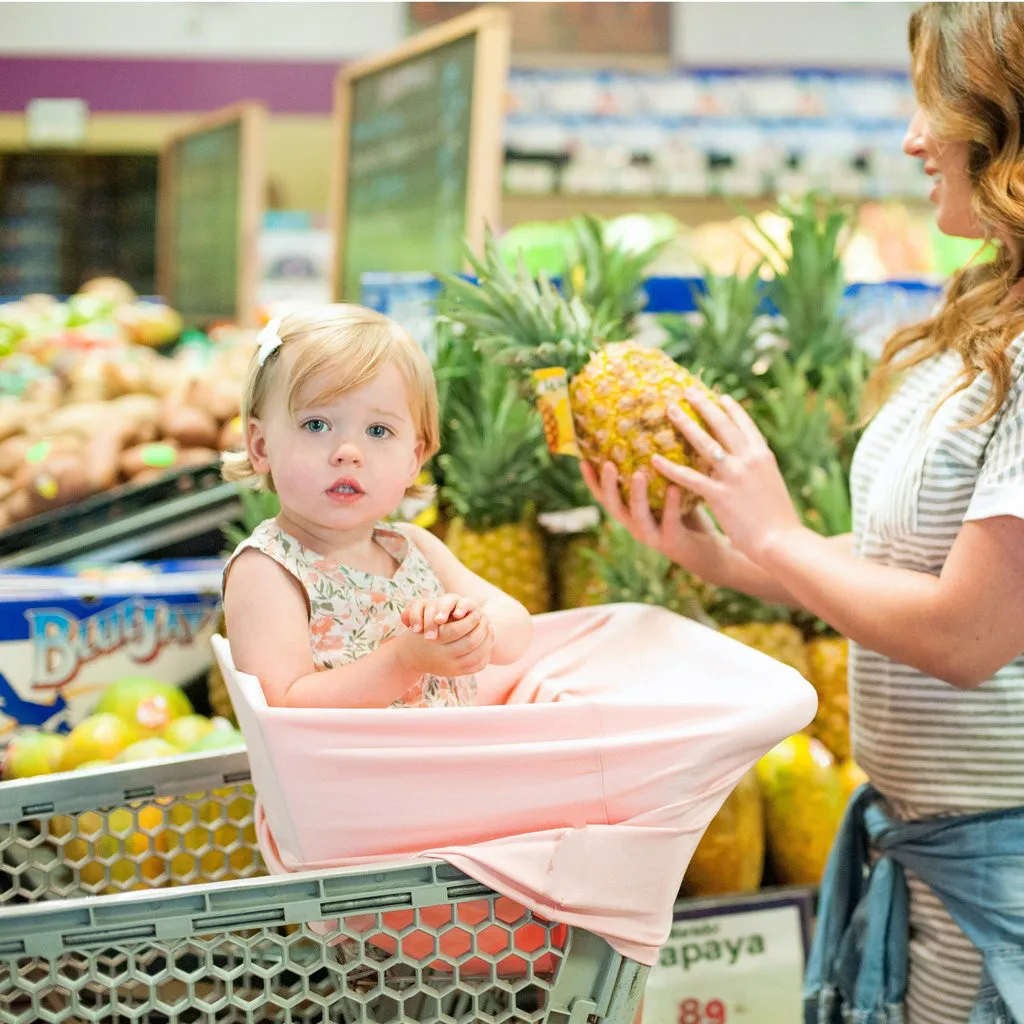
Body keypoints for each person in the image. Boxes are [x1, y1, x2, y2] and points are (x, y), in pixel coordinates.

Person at [582, 4, 1024, 1022]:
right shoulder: (987, 316)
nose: (913, 139)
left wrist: (776, 531)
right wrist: (731, 551)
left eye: (938, 107)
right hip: (932, 860)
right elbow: (902, 567)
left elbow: (965, 632)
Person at [221, 304, 533, 711]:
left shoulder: (414, 547)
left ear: (413, 460)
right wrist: (404, 661)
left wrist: (477, 630)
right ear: (260, 445)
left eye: (378, 430)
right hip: (351, 775)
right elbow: (285, 707)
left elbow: (517, 624)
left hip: (451, 768)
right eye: (316, 424)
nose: (348, 452)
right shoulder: (268, 570)